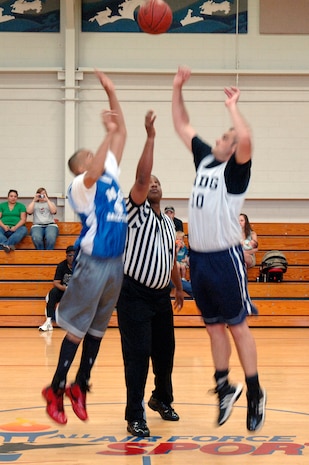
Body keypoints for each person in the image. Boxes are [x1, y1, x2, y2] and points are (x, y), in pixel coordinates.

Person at [172, 66, 266, 432]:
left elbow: (247, 140)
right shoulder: (206, 160)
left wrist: (233, 108)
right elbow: (182, 125)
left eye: (228, 136)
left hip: (225, 258)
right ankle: (225, 386)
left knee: (237, 326)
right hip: (199, 258)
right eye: (224, 136)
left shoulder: (235, 173)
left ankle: (255, 391)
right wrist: (177, 87)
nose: (223, 138)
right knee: (213, 329)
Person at [41, 70, 128, 425]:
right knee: (78, 329)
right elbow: (96, 164)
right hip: (92, 261)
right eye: (90, 154)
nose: (98, 156)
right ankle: (55, 387)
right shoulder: (80, 184)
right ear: (80, 164)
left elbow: (121, 132)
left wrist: (111, 92)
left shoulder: (108, 174)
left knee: (97, 330)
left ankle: (80, 385)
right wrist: (105, 134)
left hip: (115, 262)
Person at [117, 110, 184, 438]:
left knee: (165, 353)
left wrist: (178, 289)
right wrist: (151, 137)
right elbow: (142, 178)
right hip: (133, 295)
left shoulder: (169, 223)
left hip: (160, 296)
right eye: (149, 182)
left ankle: (162, 399)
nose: (152, 183)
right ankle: (134, 415)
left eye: (158, 182)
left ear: (164, 192)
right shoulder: (136, 212)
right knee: (138, 355)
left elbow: (170, 257)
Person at [39, 245, 75, 332]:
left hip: (76, 291)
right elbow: (56, 282)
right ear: (66, 256)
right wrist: (65, 289)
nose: (72, 257)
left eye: (74, 255)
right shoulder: (62, 265)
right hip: (64, 290)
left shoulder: (81, 266)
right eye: (70, 255)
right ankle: (48, 322)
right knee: (53, 293)